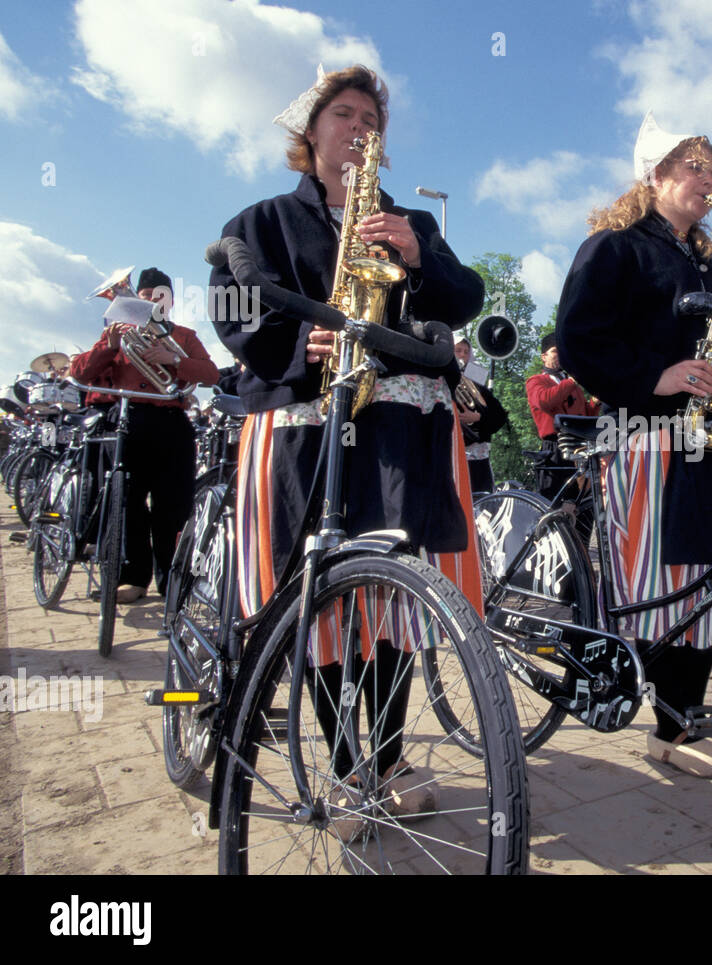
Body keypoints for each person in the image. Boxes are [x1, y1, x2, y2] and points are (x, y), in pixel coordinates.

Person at [209, 65, 485, 821]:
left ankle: (388, 757)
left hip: (398, 429)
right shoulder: (256, 222)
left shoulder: (412, 223)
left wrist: (420, 256)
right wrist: (303, 344)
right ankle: (341, 765)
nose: (360, 126)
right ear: (312, 131)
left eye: (371, 118)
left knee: (390, 598)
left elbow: (467, 299)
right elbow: (231, 315)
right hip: (304, 427)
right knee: (325, 605)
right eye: (344, 113)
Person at [556, 111, 712, 777]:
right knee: (671, 586)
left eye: (711, 168)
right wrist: (653, 375)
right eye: (694, 165)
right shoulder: (615, 245)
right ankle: (671, 723)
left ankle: (683, 711)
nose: (708, 178)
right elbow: (578, 338)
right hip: (651, 440)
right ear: (655, 175)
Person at [70, 267, 219, 602]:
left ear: (170, 301)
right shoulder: (117, 334)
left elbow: (210, 374)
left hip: (171, 422)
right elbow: (79, 373)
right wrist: (107, 348)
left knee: (173, 507)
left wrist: (174, 360)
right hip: (127, 421)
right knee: (126, 504)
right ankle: (133, 578)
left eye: (159, 297)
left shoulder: (183, 336)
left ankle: (173, 583)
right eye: (146, 296)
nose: (152, 302)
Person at [525, 332, 599, 501]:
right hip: (554, 449)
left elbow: (585, 416)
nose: (560, 355)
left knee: (581, 502)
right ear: (544, 357)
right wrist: (572, 381)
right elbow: (545, 400)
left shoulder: (572, 384)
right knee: (554, 501)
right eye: (555, 351)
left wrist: (595, 402)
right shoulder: (535, 381)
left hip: (578, 446)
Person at [454, 336, 508, 493]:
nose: (462, 355)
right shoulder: (439, 378)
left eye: (466, 352)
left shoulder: (475, 379)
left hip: (476, 456)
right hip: (451, 450)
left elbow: (499, 416)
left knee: (481, 501)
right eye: (458, 350)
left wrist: (479, 417)